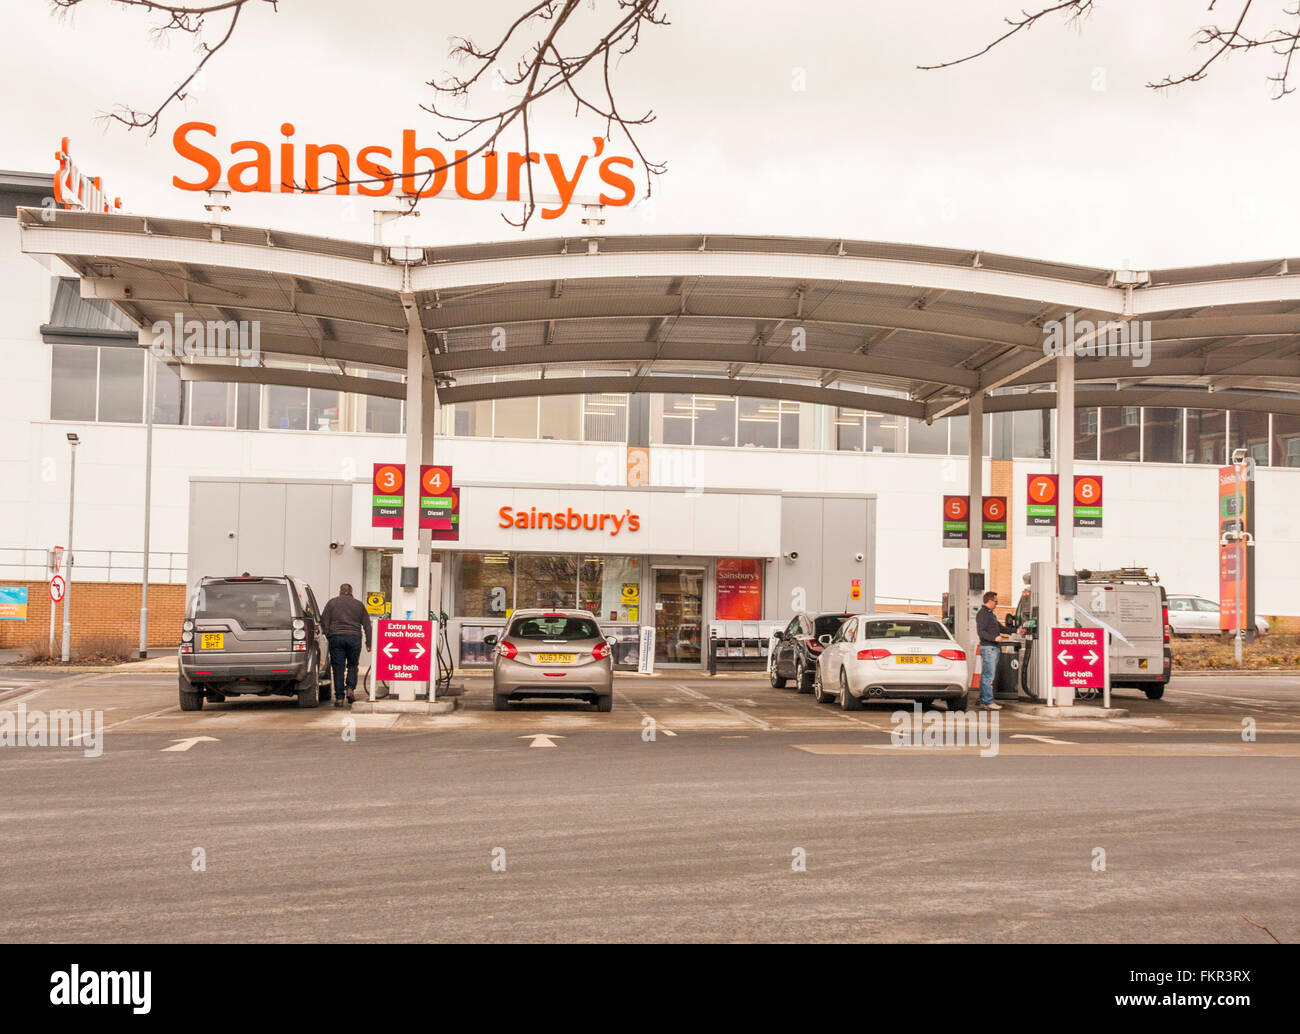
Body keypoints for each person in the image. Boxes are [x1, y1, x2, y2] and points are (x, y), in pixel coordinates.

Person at [320, 583, 372, 708]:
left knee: (338, 668)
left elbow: (323, 621)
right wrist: (369, 643)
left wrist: (329, 635)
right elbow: (367, 625)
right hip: (354, 638)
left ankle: (339, 698)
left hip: (336, 638)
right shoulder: (359, 605)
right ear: (351, 591)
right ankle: (350, 689)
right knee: (353, 665)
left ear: (340, 591)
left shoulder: (332, 603)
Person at [975, 590, 1005, 711]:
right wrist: (994, 638)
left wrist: (1017, 630)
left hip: (992, 648)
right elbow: (981, 632)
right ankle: (988, 701)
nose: (997, 604)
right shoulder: (983, 614)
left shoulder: (991, 614)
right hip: (989, 648)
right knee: (989, 676)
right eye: (996, 601)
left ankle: (984, 700)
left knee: (986, 675)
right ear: (990, 600)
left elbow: (1001, 628)